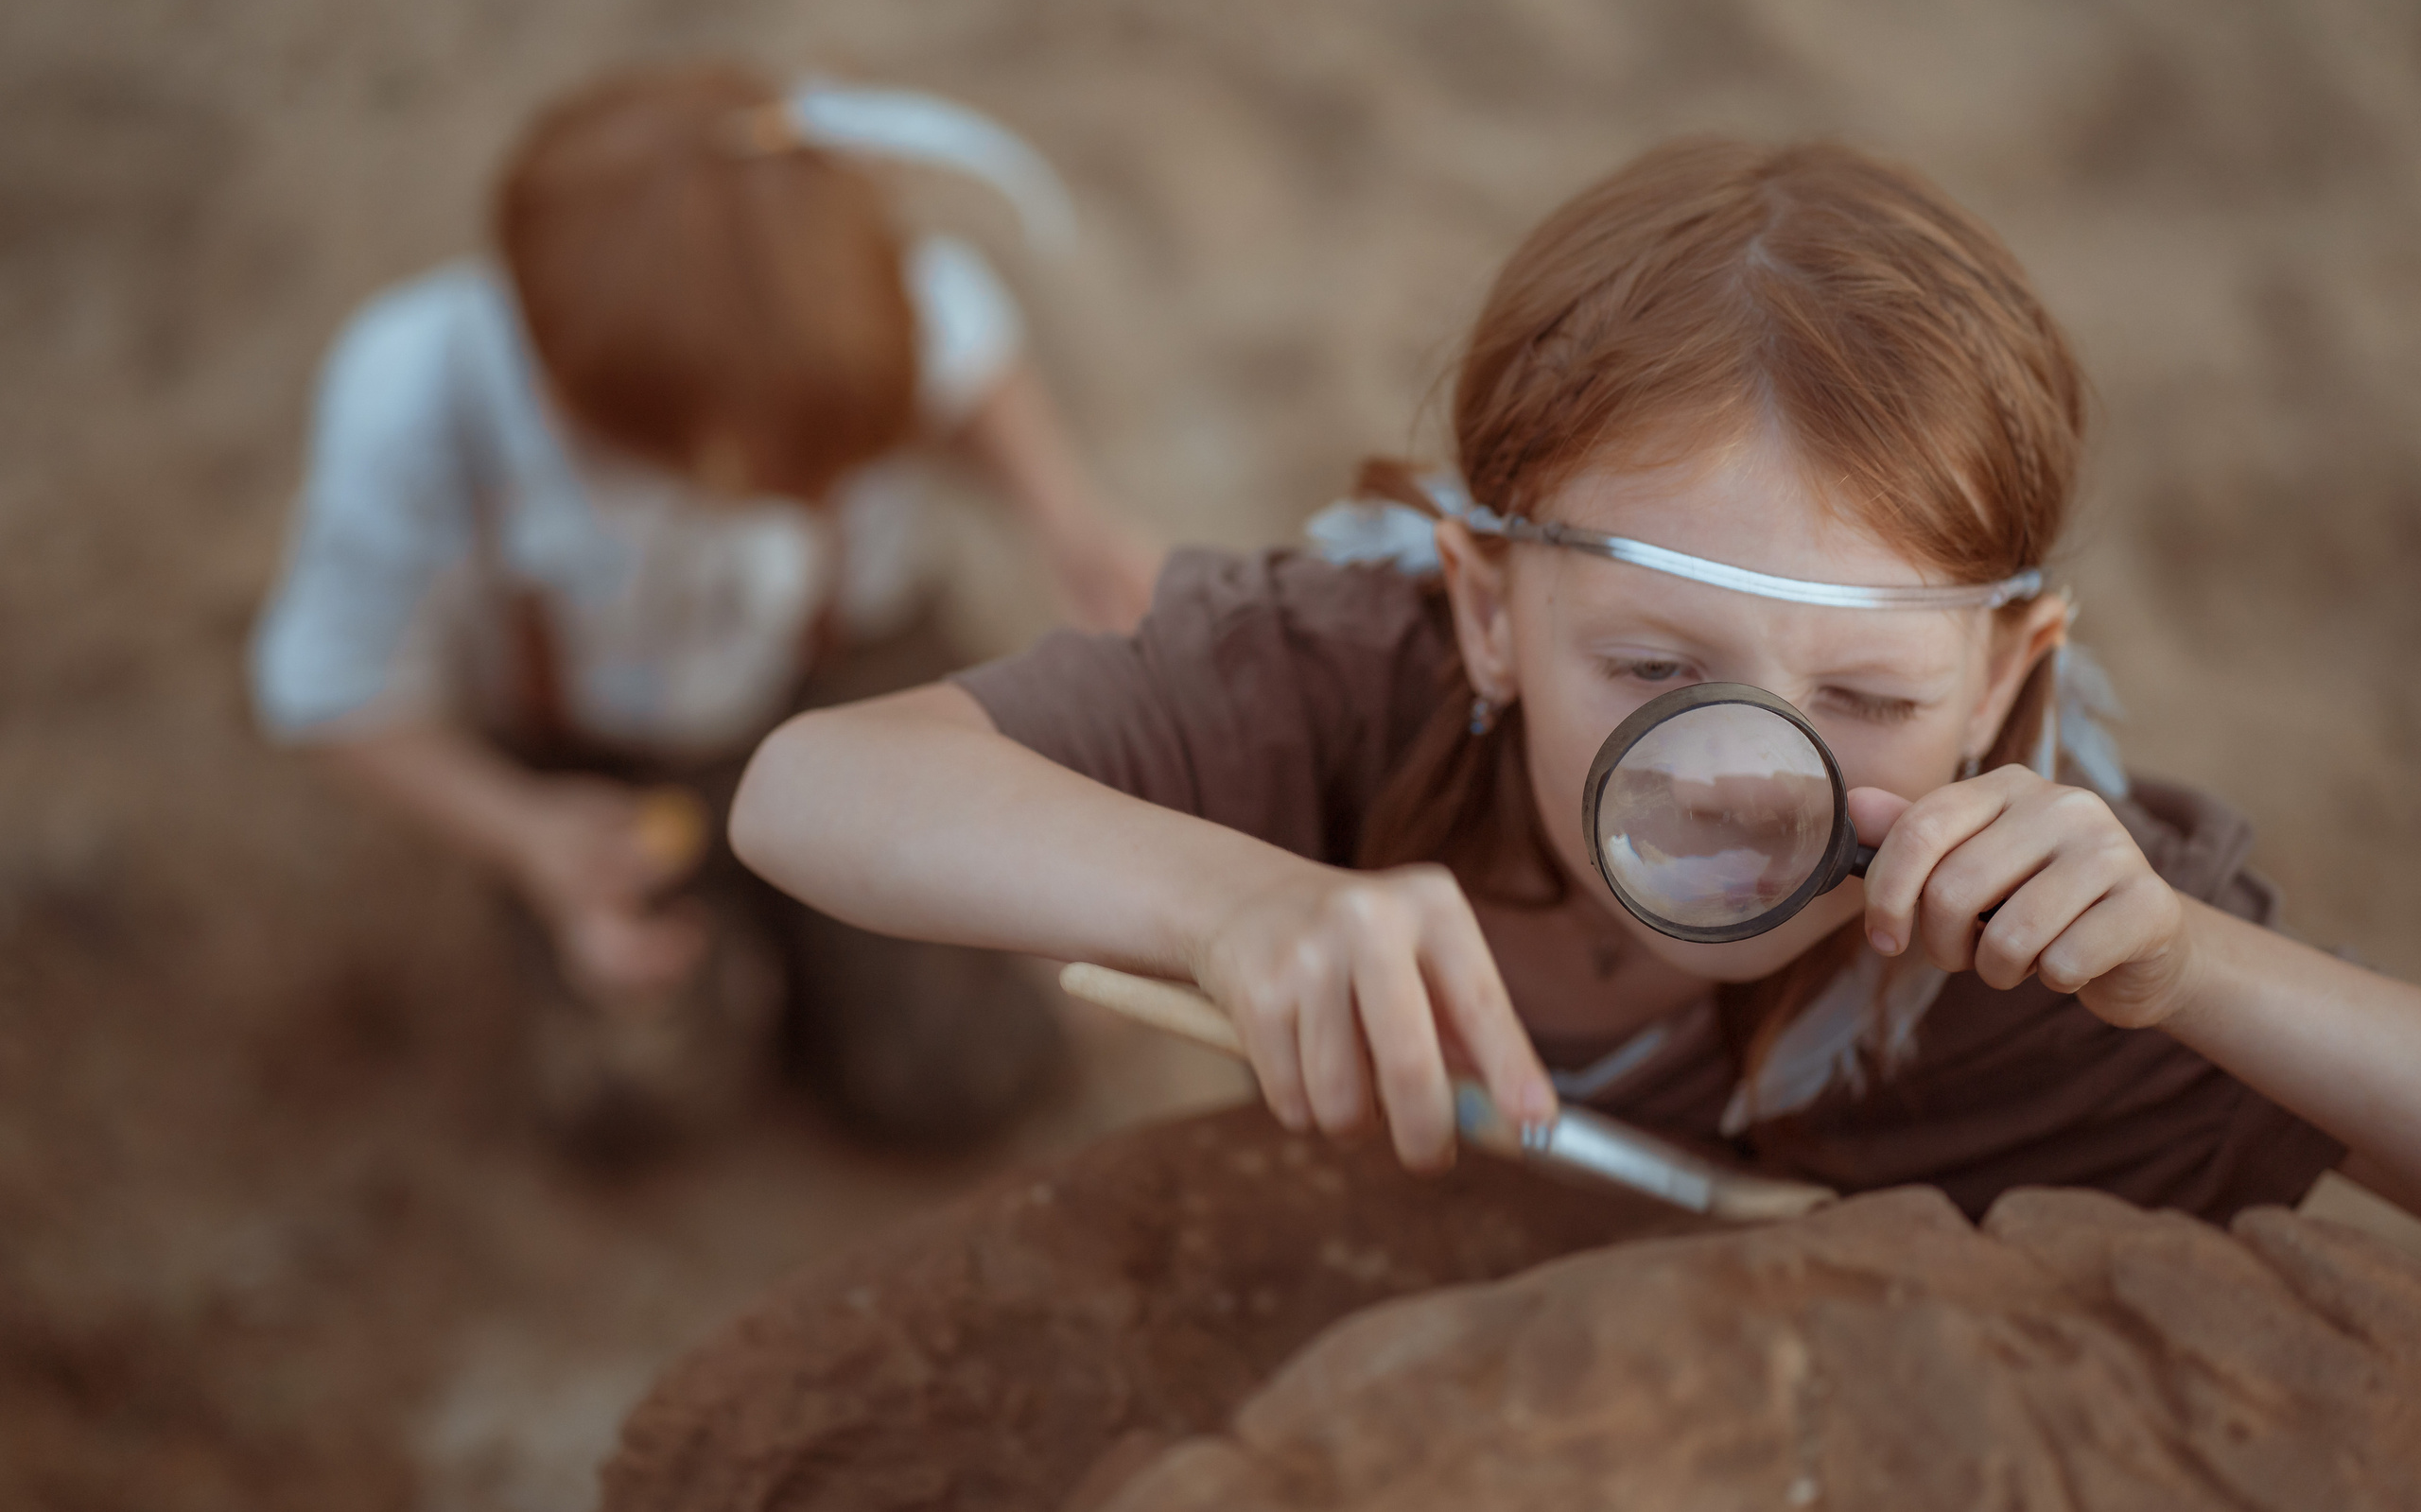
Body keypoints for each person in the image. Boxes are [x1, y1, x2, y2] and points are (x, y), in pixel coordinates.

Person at [729, 138, 2421, 1222]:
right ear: (1484, 608)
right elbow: (810, 784)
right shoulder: (1342, 671)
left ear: (2000, 680)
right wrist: (1229, 902)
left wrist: (2194, 969)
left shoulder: (2059, 928)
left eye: (1869, 698)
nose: (1745, 776)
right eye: (1653, 664)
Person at [252, 61, 1159, 1149]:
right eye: (774, 479)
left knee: (961, 1070)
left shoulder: (852, 296)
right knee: (636, 1090)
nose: (814, 494)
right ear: (573, 407)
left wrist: (1066, 518)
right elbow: (335, 698)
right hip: (599, 750)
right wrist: (528, 836)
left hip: (843, 663)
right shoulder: (418, 408)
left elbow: (969, 365)